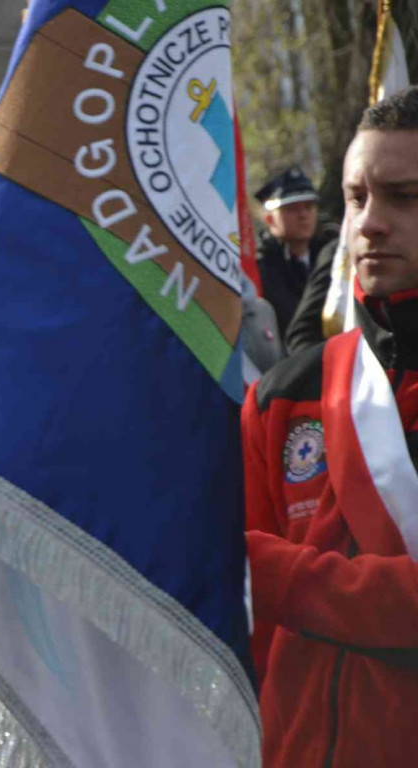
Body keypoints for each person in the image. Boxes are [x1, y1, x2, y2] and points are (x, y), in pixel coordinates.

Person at [244, 86, 418, 767]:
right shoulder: (284, 395)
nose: (368, 223)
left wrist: (269, 573)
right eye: (355, 198)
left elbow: (250, 567)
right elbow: (242, 637)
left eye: (404, 197)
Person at [254, 166, 336, 342]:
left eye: (309, 207)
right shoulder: (261, 267)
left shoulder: (332, 254)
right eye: (291, 209)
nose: (303, 215)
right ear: (270, 219)